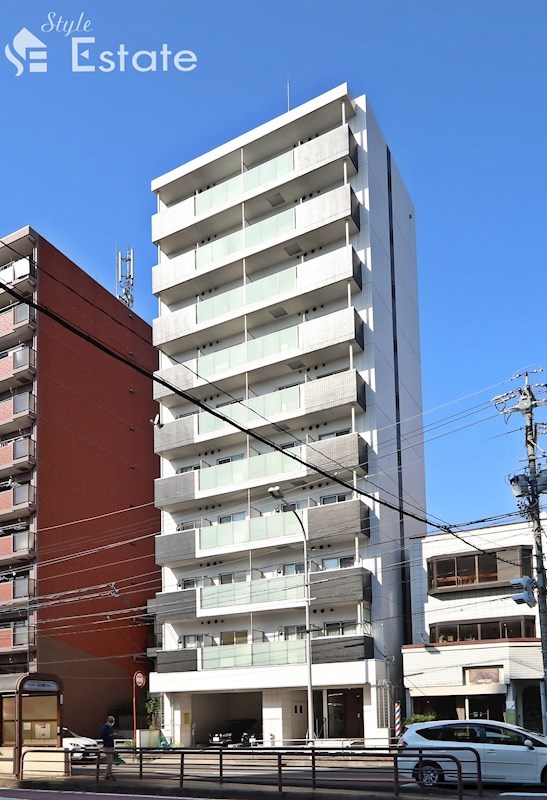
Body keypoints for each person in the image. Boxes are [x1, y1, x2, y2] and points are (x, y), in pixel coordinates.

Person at [101, 715, 116, 780]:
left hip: (110, 745)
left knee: (110, 761)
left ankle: (109, 773)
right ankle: (108, 774)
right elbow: (103, 736)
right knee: (109, 761)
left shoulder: (108, 728)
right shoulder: (105, 728)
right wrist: (111, 735)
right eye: (112, 721)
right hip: (108, 746)